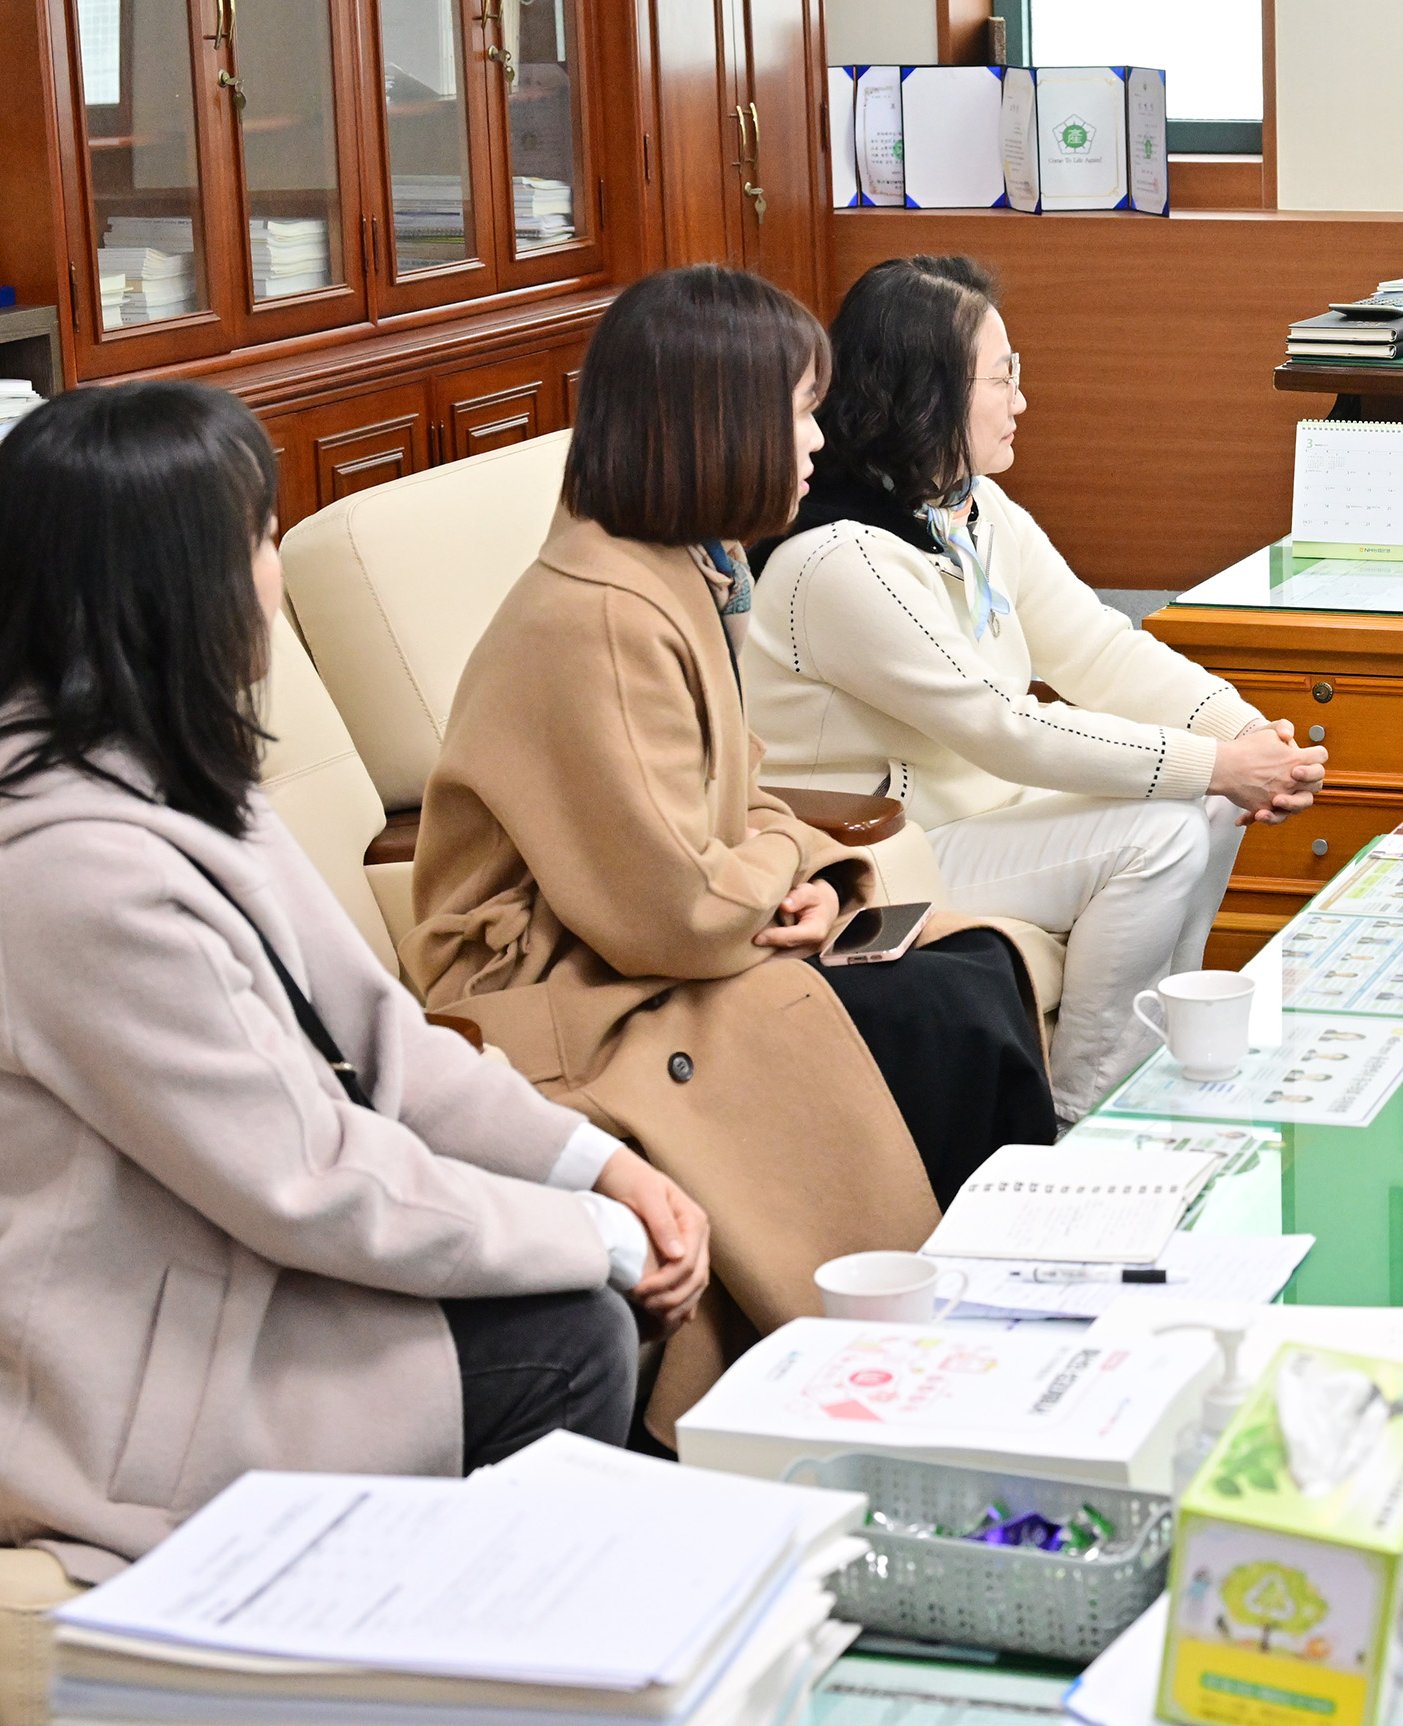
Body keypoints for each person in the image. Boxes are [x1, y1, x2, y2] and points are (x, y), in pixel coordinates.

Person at [0, 383, 708, 1576]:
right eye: (263, 537)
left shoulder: (158, 763)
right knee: (570, 1334)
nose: (275, 575)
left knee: (587, 1298)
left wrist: (604, 1169)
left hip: (203, 1285)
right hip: (101, 1387)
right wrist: (584, 1235)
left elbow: (381, 1038)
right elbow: (303, 1178)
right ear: (181, 583)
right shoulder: (63, 877)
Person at [404, 265, 1053, 1431]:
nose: (816, 439)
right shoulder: (599, 611)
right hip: (559, 985)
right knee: (930, 1018)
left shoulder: (684, 565)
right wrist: (767, 884)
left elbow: (744, 799)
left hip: (650, 931)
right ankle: (890, 1366)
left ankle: (996, 1313)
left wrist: (794, 876)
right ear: (716, 423)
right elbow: (676, 913)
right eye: (797, 411)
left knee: (973, 966)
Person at [744, 256, 1322, 1119]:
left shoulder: (973, 511)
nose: (1020, 399)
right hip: (883, 852)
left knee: (1206, 801)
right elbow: (1005, 726)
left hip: (988, 819)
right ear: (926, 391)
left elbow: (1097, 651)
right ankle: (1083, 1109)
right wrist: (1216, 762)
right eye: (1003, 375)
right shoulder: (838, 559)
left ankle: (1161, 1056)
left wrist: (1249, 738)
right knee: (1166, 826)